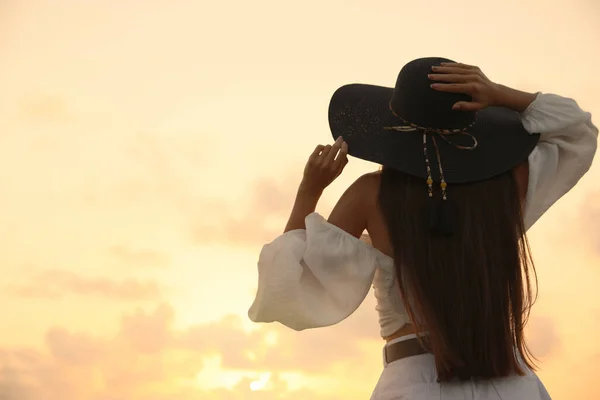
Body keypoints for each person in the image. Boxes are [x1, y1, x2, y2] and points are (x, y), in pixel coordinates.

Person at [247, 57, 598, 399]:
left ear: (392, 131)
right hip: (510, 382)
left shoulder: (371, 195)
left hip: (414, 383)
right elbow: (577, 130)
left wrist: (309, 190)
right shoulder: (505, 187)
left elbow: (288, 287)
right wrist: (502, 94)